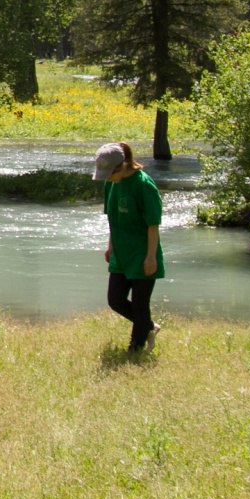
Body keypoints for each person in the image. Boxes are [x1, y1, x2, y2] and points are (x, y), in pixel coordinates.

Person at [95, 140, 164, 352]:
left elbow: (153, 225)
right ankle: (149, 326)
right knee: (115, 300)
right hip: (120, 252)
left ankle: (135, 349)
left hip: (143, 253)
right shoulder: (111, 184)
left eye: (110, 174)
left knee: (140, 304)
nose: (108, 179)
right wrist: (110, 246)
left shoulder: (144, 185)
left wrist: (151, 257)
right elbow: (112, 219)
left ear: (123, 166)